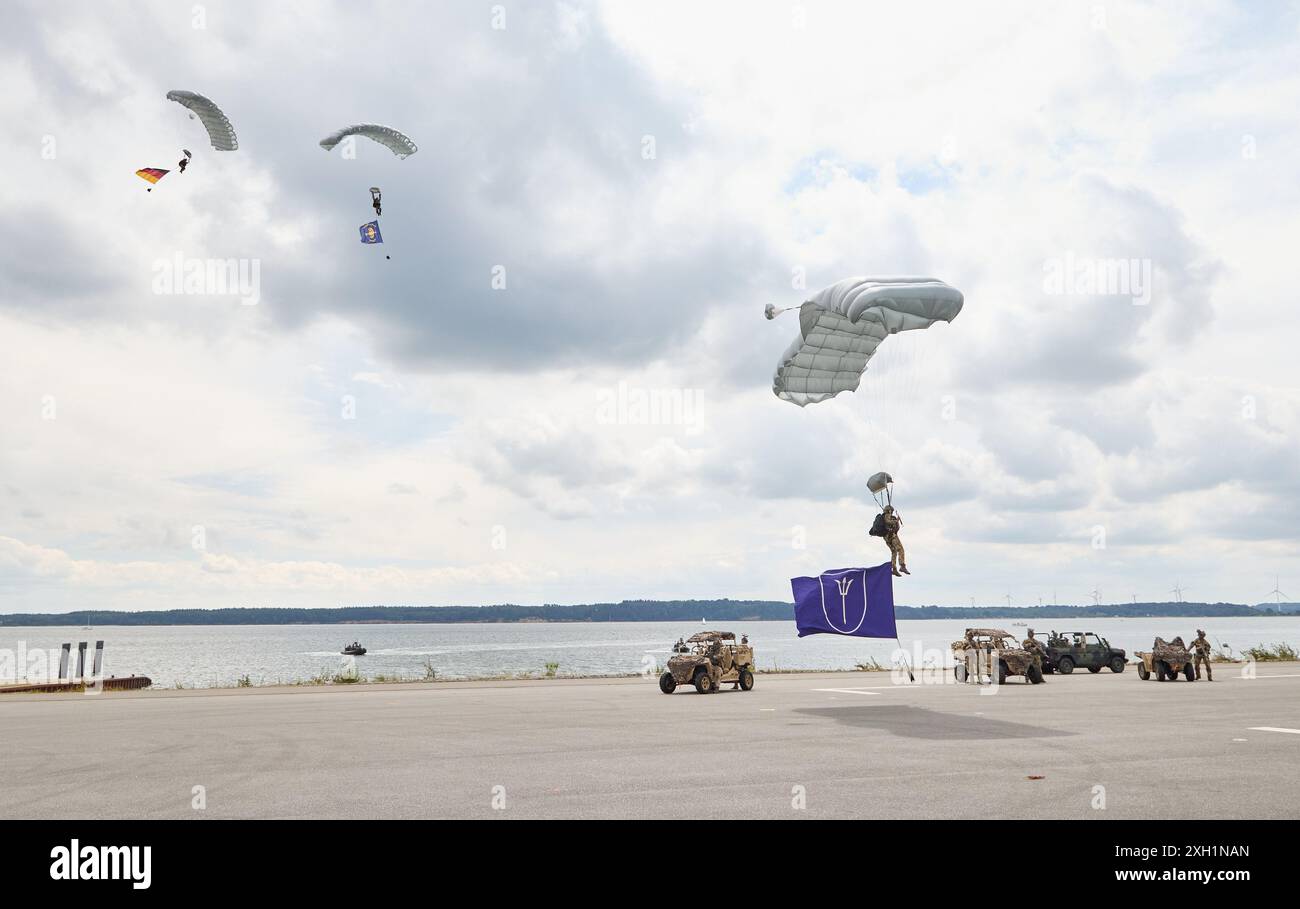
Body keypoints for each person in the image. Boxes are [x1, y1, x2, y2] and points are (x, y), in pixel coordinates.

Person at [881, 505, 908, 576]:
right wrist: (897, 521)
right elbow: (888, 522)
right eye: (891, 511)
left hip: (887, 538)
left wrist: (896, 522)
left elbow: (896, 527)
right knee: (900, 549)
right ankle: (902, 565)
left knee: (894, 552)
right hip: (892, 536)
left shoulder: (883, 517)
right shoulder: (887, 516)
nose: (892, 512)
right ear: (889, 510)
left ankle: (894, 569)